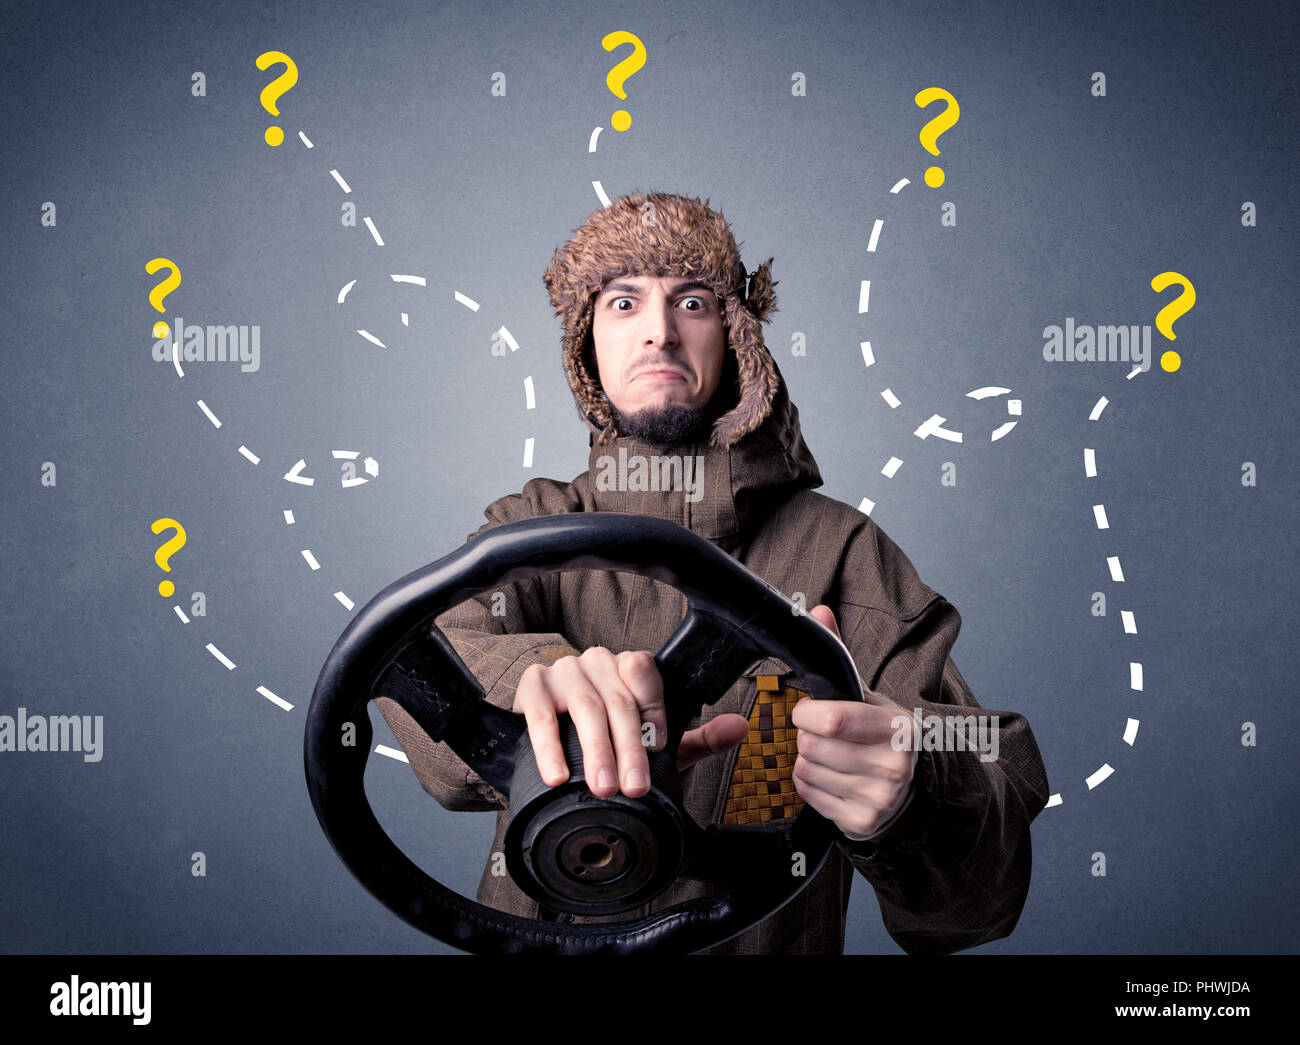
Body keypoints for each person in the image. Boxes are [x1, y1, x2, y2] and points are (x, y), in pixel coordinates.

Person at [376, 192, 1050, 954]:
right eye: (624, 302)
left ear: (735, 336)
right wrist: (533, 680)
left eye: (691, 301)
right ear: (586, 346)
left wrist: (912, 799)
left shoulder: (845, 553)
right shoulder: (527, 532)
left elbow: (979, 895)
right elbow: (427, 650)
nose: (659, 331)